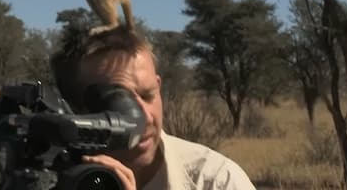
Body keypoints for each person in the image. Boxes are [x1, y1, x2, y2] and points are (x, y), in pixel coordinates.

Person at [50, 25, 257, 190]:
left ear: (158, 86)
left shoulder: (215, 181)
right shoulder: (40, 178)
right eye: (120, 105)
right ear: (74, 111)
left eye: (148, 95)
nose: (146, 118)